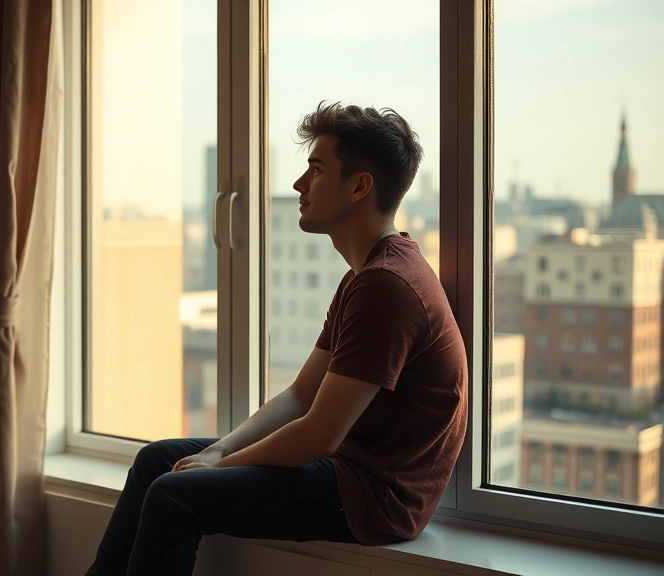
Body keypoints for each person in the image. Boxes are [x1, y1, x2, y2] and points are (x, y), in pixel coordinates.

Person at [85, 101, 469, 576]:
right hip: (348, 467)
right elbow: (301, 394)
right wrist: (219, 451)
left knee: (173, 495)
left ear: (359, 186)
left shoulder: (387, 284)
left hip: (374, 496)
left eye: (315, 169)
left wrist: (218, 468)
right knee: (156, 461)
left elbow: (318, 434)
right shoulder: (363, 277)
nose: (298, 185)